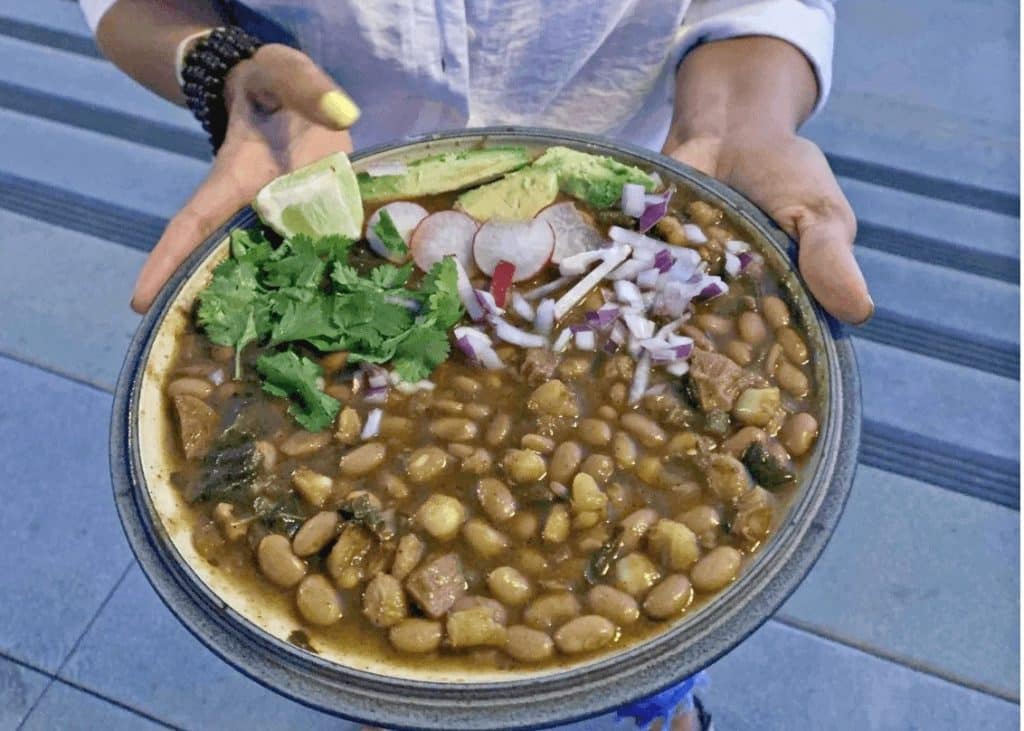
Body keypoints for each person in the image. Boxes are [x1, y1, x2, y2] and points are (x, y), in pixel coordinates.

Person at [79, 1, 871, 728]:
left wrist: (743, 122)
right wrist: (220, 63)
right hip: (326, 202)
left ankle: (663, 709)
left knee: (660, 661)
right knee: (389, 693)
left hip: (628, 207)